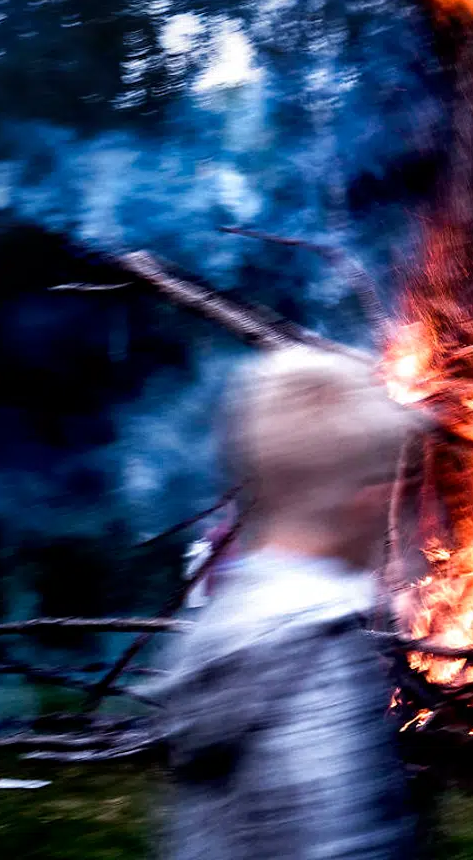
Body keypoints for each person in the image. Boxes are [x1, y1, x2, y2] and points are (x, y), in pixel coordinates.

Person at [156, 347, 419, 860]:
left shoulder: (228, 623)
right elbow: (339, 840)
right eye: (393, 483)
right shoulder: (317, 654)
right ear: (369, 501)